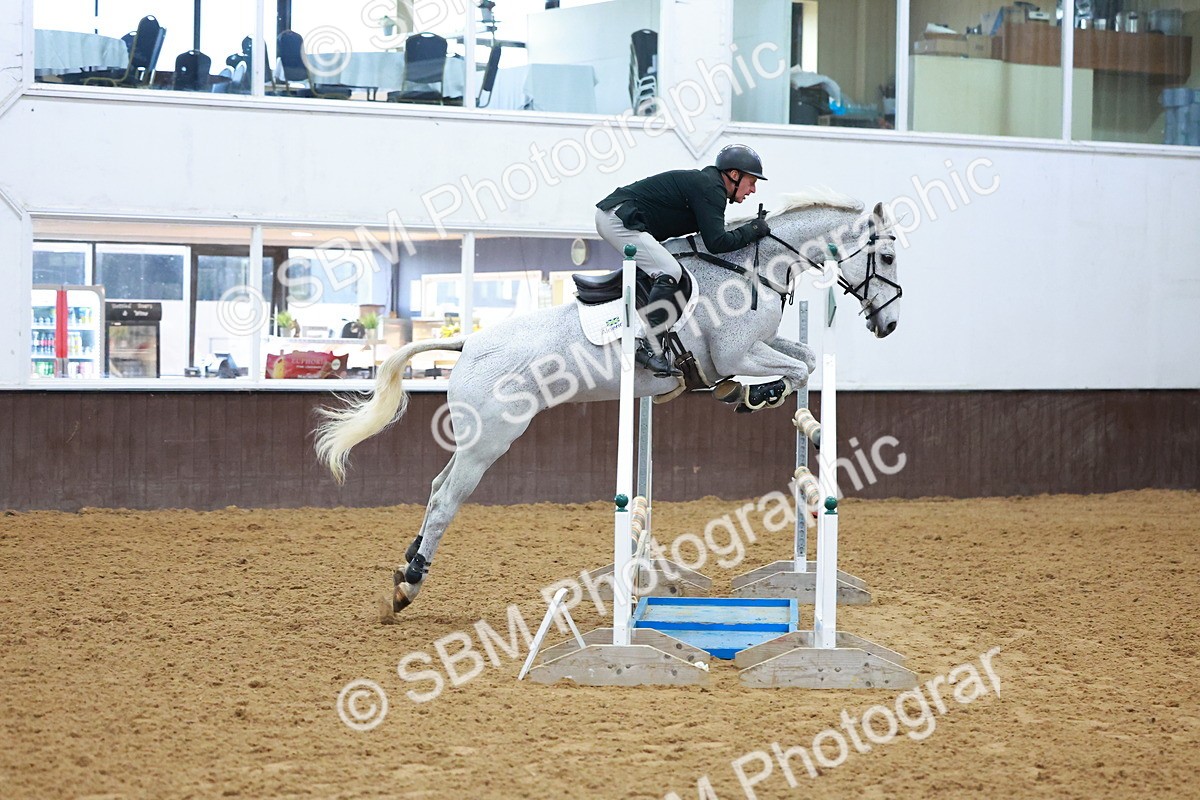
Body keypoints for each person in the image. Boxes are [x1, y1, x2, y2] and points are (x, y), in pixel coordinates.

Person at [594, 144, 772, 376]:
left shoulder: (710, 186)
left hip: (618, 216)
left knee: (667, 268)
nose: (753, 190)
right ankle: (650, 348)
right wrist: (753, 230)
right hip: (618, 217)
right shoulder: (712, 188)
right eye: (752, 181)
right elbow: (717, 243)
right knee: (669, 271)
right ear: (734, 175)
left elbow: (710, 238)